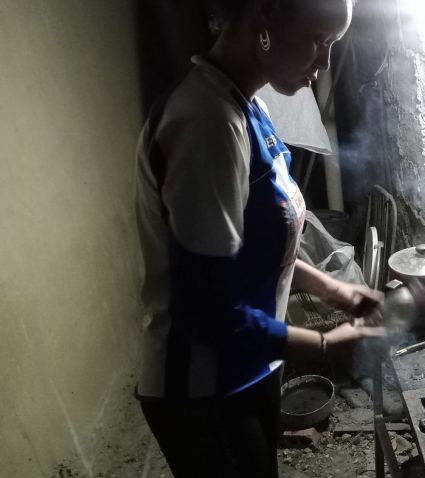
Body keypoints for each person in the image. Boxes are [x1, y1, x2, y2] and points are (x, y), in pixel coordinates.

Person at [133, 0, 383, 476]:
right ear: (265, 18)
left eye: (332, 45)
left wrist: (337, 290)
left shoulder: (248, 105)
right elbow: (208, 313)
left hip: (250, 367)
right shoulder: (207, 124)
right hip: (202, 388)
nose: (325, 62)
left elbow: (257, 252)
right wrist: (326, 346)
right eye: (318, 40)